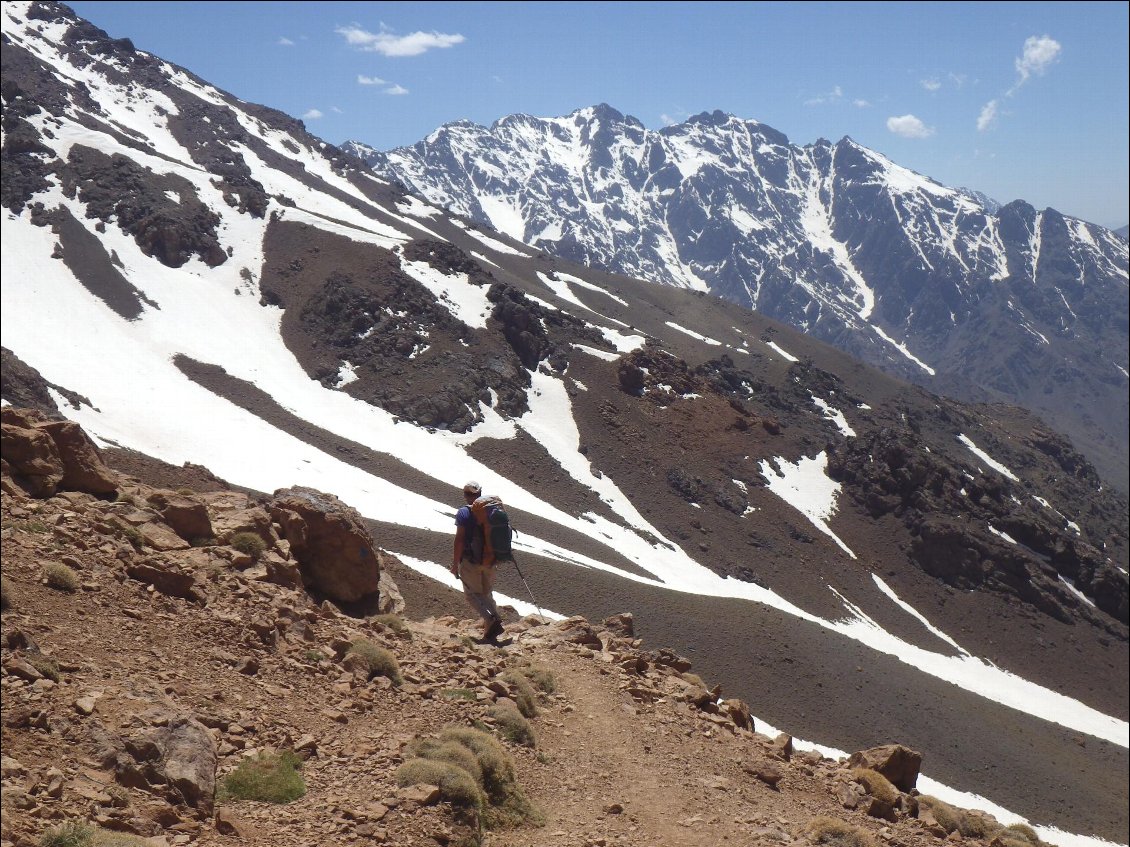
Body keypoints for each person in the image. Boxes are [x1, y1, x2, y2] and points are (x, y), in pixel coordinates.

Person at [450, 481, 504, 643]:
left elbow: (459, 540)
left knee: (472, 595)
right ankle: (494, 626)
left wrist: (455, 564)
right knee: (486, 592)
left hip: (471, 561)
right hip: (491, 560)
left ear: (466, 495)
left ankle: (490, 619)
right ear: (480, 493)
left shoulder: (464, 513)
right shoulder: (491, 511)